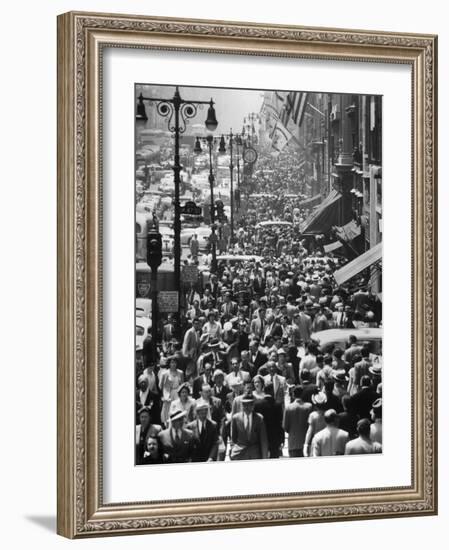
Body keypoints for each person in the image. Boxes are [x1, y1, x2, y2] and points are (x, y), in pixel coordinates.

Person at [230, 394, 268, 460]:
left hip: (254, 454)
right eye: (244, 405)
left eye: (249, 404)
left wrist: (265, 457)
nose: (247, 407)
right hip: (239, 454)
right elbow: (234, 438)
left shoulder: (259, 418)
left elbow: (263, 440)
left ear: (253, 406)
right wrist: (234, 449)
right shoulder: (236, 418)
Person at [255, 383, 284, 458]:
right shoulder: (278, 405)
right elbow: (280, 423)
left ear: (264, 390)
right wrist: (282, 439)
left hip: (261, 437)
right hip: (275, 438)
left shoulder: (257, 404)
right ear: (272, 391)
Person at [283, 385, 313, 457]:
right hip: (306, 443)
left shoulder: (288, 408)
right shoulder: (309, 406)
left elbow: (285, 426)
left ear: (293, 394)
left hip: (293, 443)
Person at [159, 356, 184, 426]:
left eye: (175, 362)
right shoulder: (165, 374)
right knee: (168, 412)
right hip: (168, 395)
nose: (173, 364)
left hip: (178, 394)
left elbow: (182, 385)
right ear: (169, 364)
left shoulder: (180, 372)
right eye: (172, 363)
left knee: (178, 410)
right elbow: (160, 386)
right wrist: (163, 396)